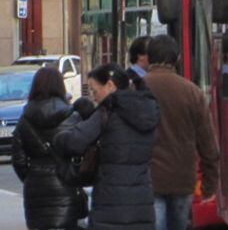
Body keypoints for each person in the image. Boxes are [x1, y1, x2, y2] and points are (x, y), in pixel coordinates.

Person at [53, 63, 160, 229]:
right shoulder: (147, 111)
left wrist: (57, 139)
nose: (94, 98)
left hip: (110, 206)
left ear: (110, 85)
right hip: (142, 205)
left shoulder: (107, 111)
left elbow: (75, 142)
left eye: (95, 91)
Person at [142, 35, 219, 230]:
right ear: (176, 59)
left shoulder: (137, 89)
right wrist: (209, 184)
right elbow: (207, 143)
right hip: (182, 177)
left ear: (149, 58)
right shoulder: (192, 92)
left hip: (147, 178)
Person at [11, 67, 88, 229]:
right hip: (66, 183)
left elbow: (18, 159)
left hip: (36, 189)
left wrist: (32, 175)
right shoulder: (72, 117)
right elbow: (82, 149)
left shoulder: (25, 119)